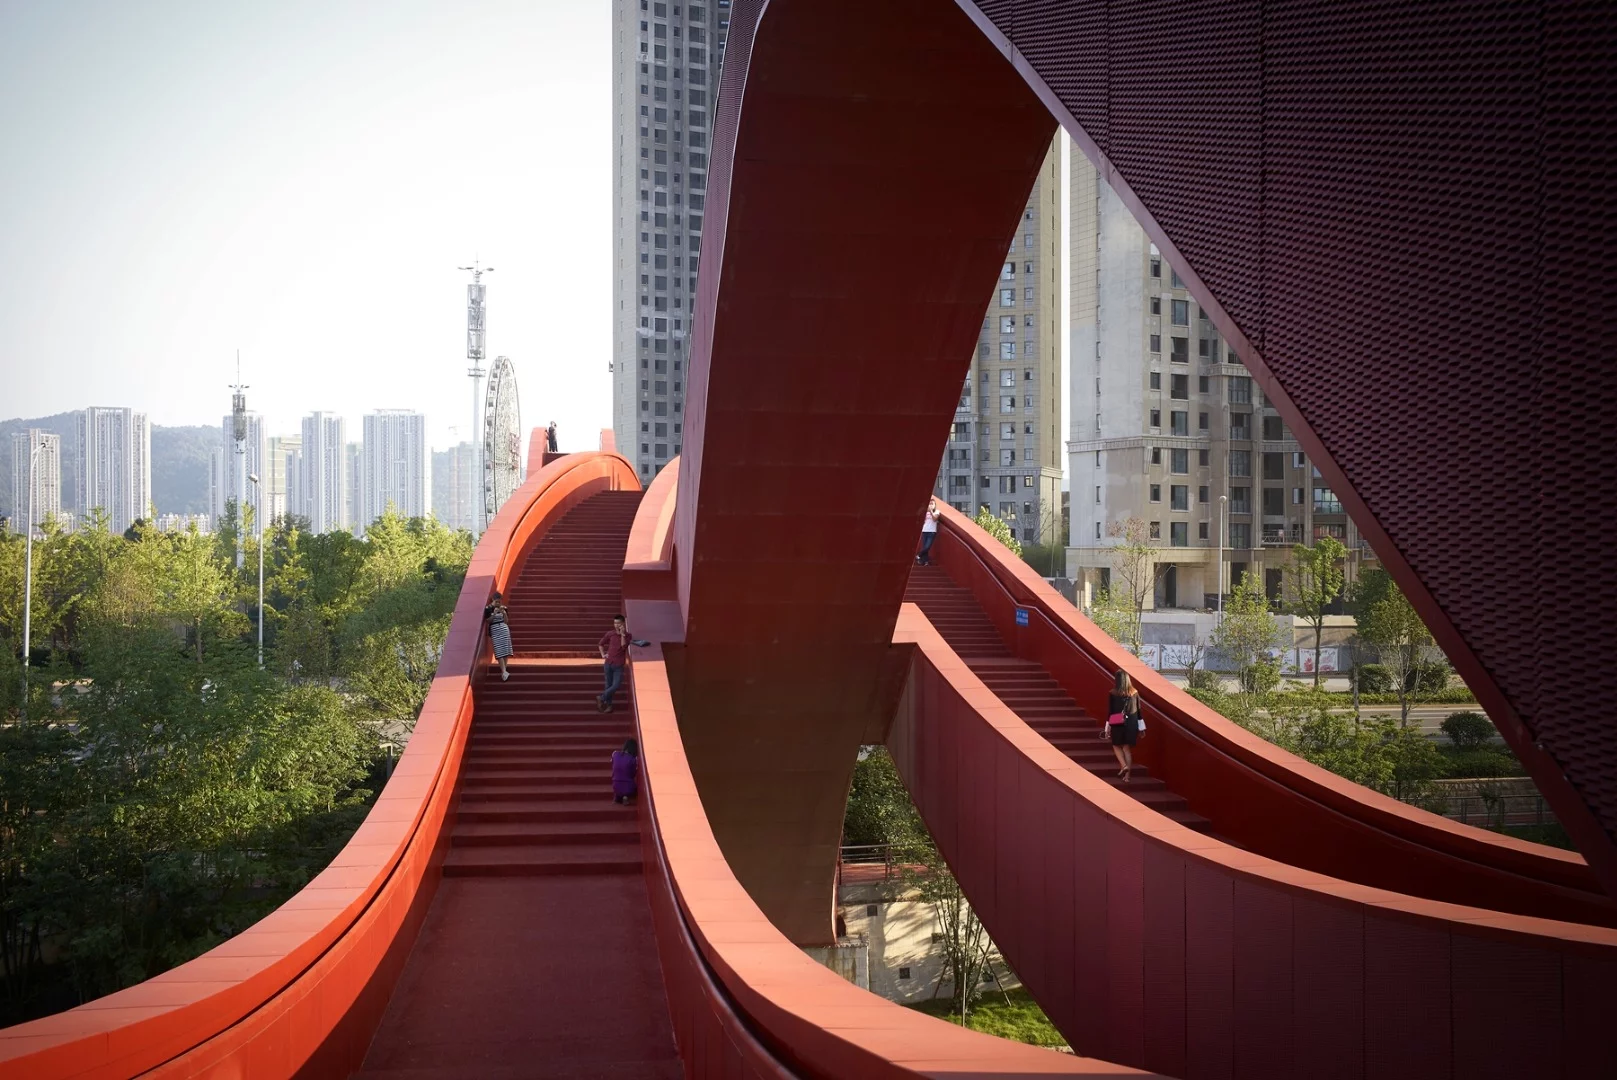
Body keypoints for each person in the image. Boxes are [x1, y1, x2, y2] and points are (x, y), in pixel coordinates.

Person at [1101, 669, 1142, 780]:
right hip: (1131, 724)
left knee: (1116, 746)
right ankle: (1127, 777)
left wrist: (1107, 728)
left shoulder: (1113, 693)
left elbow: (1110, 712)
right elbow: (1139, 711)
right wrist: (1142, 728)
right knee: (1126, 749)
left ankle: (1124, 766)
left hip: (1117, 722)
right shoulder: (1134, 692)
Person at [597, 614, 631, 712]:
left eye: (618, 623)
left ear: (623, 623)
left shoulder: (628, 636)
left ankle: (601, 698)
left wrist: (622, 634)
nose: (616, 625)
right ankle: (609, 706)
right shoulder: (610, 634)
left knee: (616, 685)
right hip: (608, 663)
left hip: (618, 665)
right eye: (615, 623)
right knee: (608, 685)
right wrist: (603, 654)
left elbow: (624, 646)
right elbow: (600, 644)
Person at [484, 592, 513, 681]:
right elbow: (488, 621)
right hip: (495, 630)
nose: (498, 603)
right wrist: (494, 613)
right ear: (493, 600)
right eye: (496, 601)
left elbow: (506, 621)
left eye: (499, 601)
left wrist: (504, 613)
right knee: (499, 650)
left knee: (505, 650)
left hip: (504, 629)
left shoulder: (504, 608)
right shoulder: (488, 608)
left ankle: (504, 671)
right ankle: (503, 671)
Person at [611, 738, 639, 804]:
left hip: (615, 784)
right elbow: (633, 773)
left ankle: (618, 796)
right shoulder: (633, 759)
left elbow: (613, 765)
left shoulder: (615, 754)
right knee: (631, 784)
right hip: (628, 786)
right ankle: (625, 796)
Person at [917, 498, 941, 565]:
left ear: (935, 505)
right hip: (924, 530)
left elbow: (934, 519)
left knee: (927, 546)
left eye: (932, 504)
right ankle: (925, 562)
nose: (931, 505)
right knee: (925, 547)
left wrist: (931, 512)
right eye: (929, 504)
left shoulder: (937, 511)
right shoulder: (925, 512)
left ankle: (919, 555)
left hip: (932, 531)